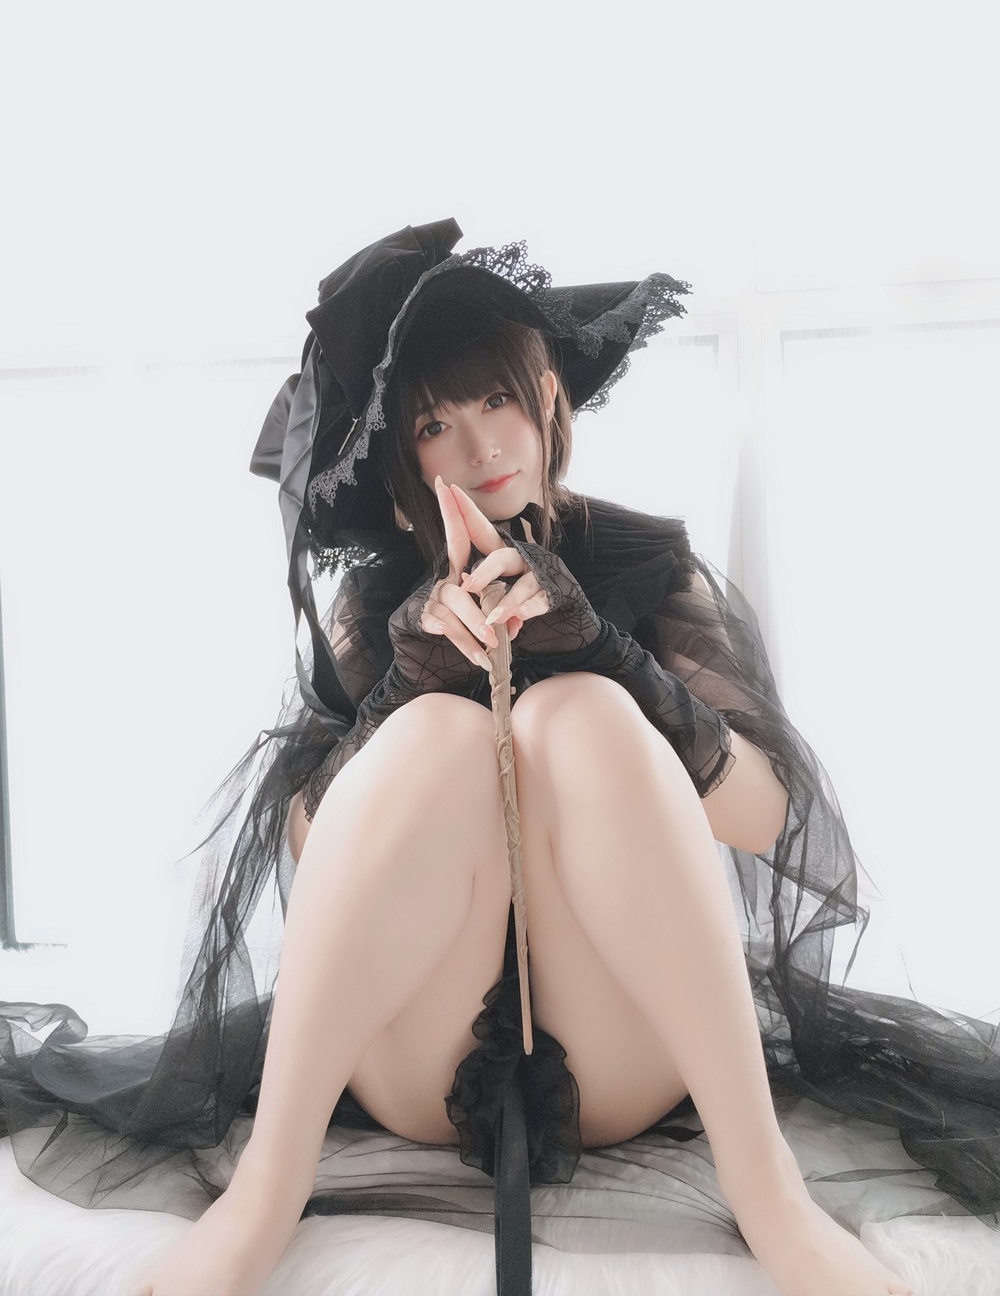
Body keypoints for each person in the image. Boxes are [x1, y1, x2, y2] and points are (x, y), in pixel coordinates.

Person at [2, 220, 999, 1296]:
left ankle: (772, 1200)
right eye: (437, 422)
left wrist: (611, 657)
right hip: (419, 1052)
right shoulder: (376, 600)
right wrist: (404, 686)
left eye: (497, 400)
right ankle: (263, 1197)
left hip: (614, 1045)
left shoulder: (649, 563)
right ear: (403, 458)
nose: (481, 446)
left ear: (547, 399)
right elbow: (300, 844)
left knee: (578, 712)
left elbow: (766, 817)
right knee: (435, 732)